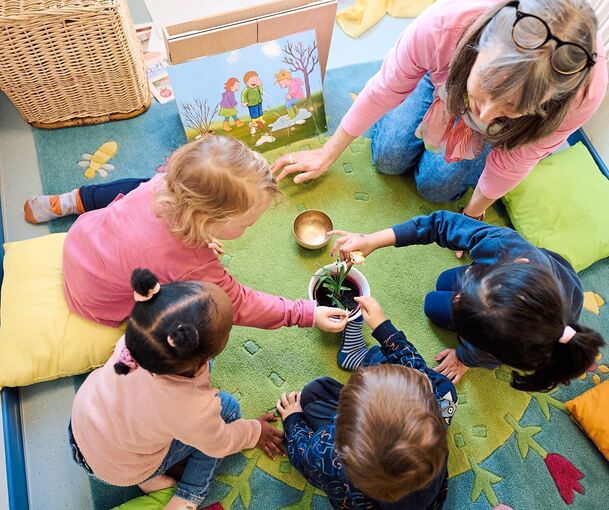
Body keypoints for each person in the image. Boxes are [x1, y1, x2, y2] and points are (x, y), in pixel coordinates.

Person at [271, 0, 607, 221]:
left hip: (501, 128)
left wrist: (473, 215)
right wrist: (328, 152)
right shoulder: (442, 25)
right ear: (476, 48)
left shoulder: (581, 96)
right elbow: (386, 87)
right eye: (487, 90)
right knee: (387, 158)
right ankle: (437, 85)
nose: (486, 115)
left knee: (434, 188)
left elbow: (516, 158)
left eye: (512, 107)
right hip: (442, 81)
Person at [25, 136, 347, 332]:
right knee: (193, 323)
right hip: (95, 301)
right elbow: (238, 303)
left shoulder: (165, 182)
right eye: (247, 223)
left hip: (79, 241)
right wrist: (306, 313)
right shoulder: (193, 265)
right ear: (208, 219)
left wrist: (204, 235)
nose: (251, 229)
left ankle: (73, 199)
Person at [69, 269, 285, 510]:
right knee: (229, 410)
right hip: (120, 467)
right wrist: (254, 432)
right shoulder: (194, 410)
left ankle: (148, 477)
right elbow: (220, 442)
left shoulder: (137, 339)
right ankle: (187, 498)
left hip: (82, 428)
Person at [330, 210, 606, 390]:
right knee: (442, 284)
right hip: (541, 283)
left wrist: (464, 358)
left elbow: (486, 354)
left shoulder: (507, 347)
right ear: (516, 263)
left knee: (432, 305)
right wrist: (373, 240)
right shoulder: (505, 245)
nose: (458, 295)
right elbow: (439, 224)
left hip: (528, 306)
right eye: (471, 284)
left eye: (463, 303)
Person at [276, 295, 458, 509]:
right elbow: (417, 372)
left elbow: (303, 456)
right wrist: (384, 330)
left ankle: (360, 357)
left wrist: (293, 420)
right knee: (443, 388)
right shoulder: (435, 413)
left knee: (313, 392)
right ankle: (363, 358)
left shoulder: (331, 457)